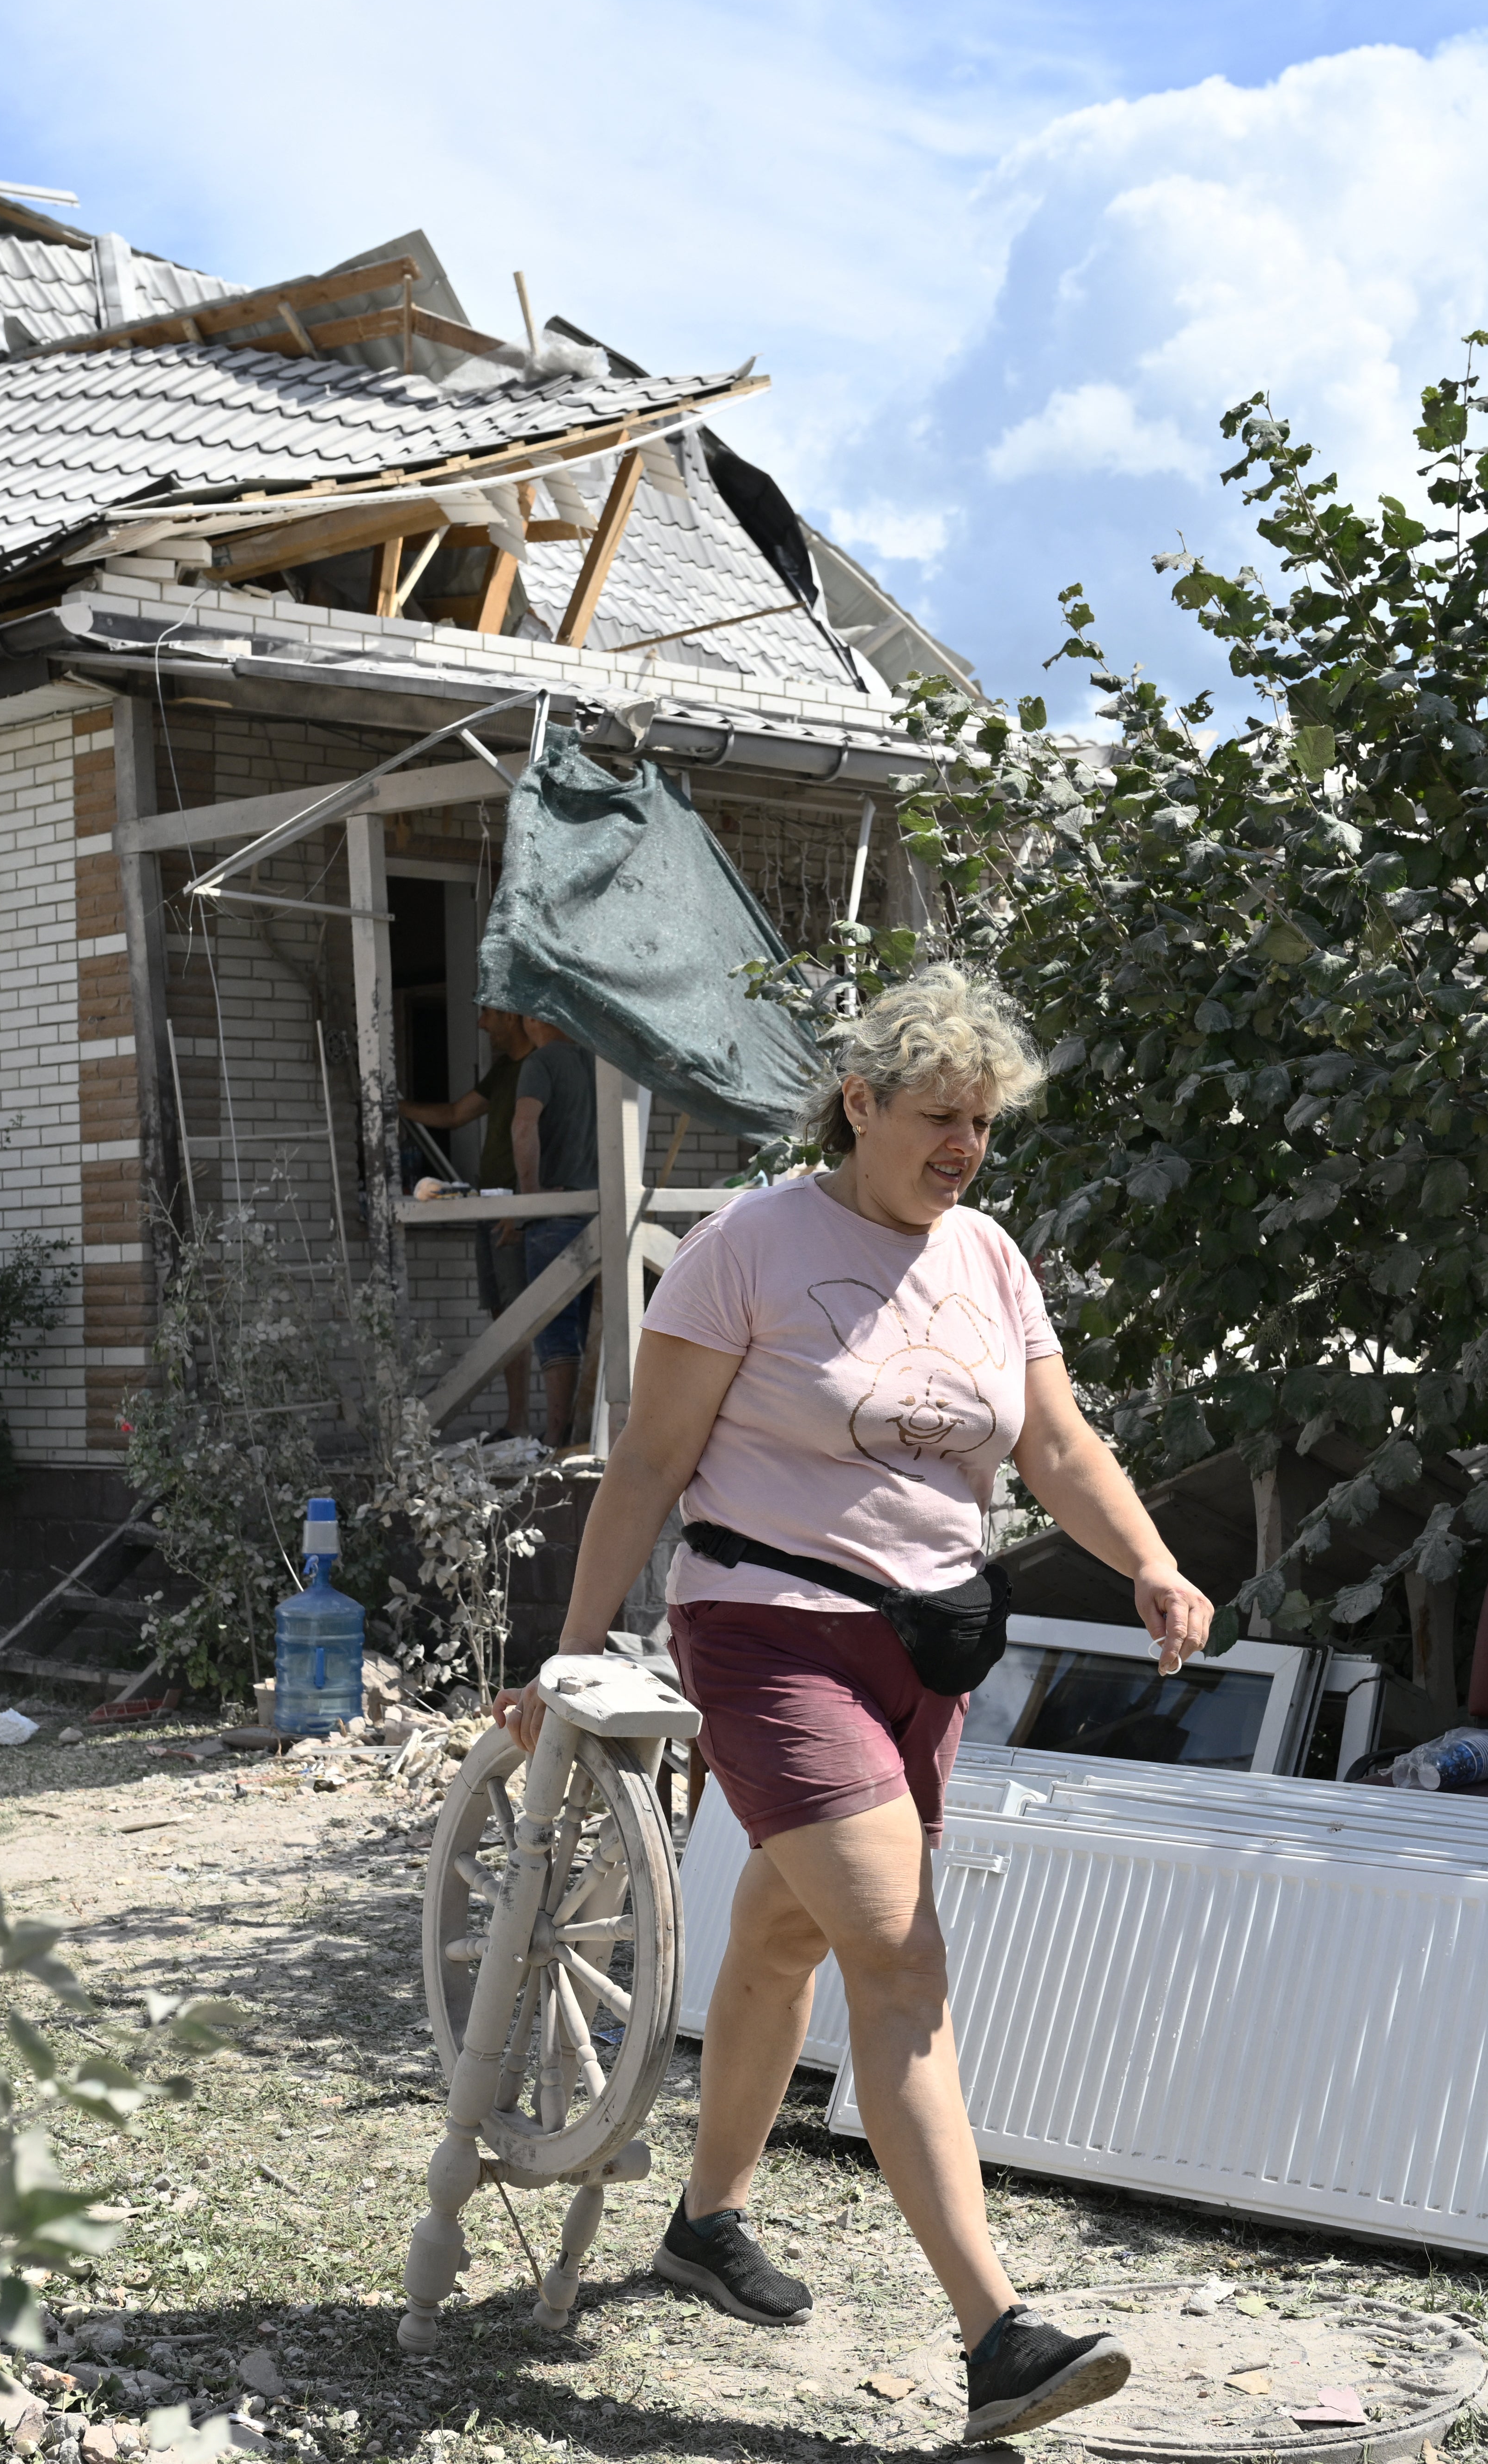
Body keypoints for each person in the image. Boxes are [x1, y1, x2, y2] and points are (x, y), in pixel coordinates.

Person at [497, 964, 1214, 2445]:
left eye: (984, 1125)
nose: (963, 1147)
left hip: (929, 1646)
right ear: (861, 1102)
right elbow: (647, 1463)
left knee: (783, 1932)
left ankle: (706, 2222)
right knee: (895, 1950)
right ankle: (999, 2336)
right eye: (939, 1118)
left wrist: (1147, 1560)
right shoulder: (749, 1246)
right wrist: (575, 1652)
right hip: (768, 1632)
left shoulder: (990, 1257)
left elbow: (1062, 1444)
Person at [402, 1009, 535, 1437]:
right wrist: (396, 1106)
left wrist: (523, 1207)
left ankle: (523, 1424)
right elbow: (456, 1114)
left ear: (512, 1017)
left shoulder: (538, 1066)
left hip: (513, 1210)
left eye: (487, 1015)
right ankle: (515, 1424)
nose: (480, 1024)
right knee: (502, 1316)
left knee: (520, 1316)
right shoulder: (502, 1071)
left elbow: (541, 1138)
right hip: (490, 1204)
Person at [507, 1016, 597, 1445]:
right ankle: (586, 1435)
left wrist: (531, 1196)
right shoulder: (599, 1064)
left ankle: (557, 1437)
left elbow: (524, 1125)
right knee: (586, 1326)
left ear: (532, 1019)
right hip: (597, 1214)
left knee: (554, 1328)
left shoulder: (542, 1063)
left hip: (555, 1214)